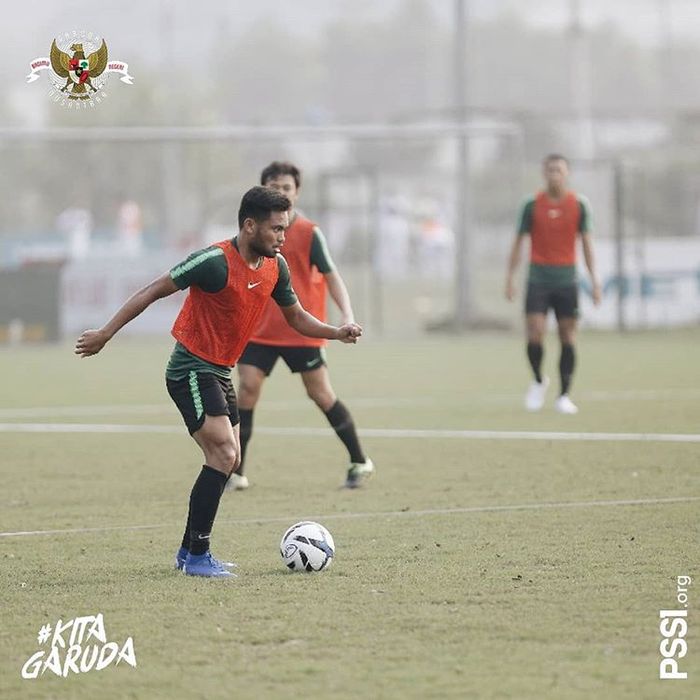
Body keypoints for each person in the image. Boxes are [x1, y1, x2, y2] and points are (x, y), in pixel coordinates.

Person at [74, 186, 362, 578]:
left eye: (285, 229)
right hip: (189, 369)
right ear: (249, 225)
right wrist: (106, 333)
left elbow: (296, 318)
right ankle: (197, 557)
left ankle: (187, 552)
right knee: (225, 455)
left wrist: (336, 331)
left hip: (220, 370)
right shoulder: (213, 262)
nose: (282, 237)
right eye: (276, 229)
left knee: (230, 457)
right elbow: (152, 290)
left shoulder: (275, 267)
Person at [234, 162, 374, 490]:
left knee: (321, 394)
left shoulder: (310, 233)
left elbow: (331, 276)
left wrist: (346, 315)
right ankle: (236, 471)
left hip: (303, 328)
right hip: (259, 330)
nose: (281, 192)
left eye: (286, 187)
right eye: (274, 186)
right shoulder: (254, 231)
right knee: (248, 389)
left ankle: (359, 459)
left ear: (296, 192)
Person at [505, 154, 601, 414]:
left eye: (558, 170)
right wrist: (510, 278)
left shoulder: (579, 205)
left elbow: (587, 244)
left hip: (566, 280)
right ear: (543, 173)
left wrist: (594, 281)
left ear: (567, 173)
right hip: (538, 279)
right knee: (535, 333)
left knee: (567, 336)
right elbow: (518, 242)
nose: (554, 174)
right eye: (549, 170)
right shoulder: (531, 205)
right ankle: (538, 380)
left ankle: (563, 396)